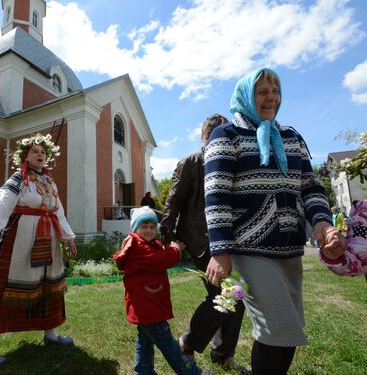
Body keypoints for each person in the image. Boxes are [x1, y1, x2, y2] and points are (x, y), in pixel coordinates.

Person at [203, 67, 345, 375]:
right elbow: (216, 195)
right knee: (280, 327)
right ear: (246, 97)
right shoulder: (225, 135)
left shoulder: (291, 136)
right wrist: (220, 249)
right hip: (248, 247)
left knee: (286, 330)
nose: (271, 98)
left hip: (289, 247)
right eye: (262, 92)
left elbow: (310, 187)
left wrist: (322, 224)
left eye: (276, 91)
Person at [0, 133, 77, 365]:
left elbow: (58, 211)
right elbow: (2, 202)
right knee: (0, 287)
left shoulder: (50, 183)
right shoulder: (19, 179)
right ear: (24, 157)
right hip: (19, 240)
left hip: (48, 241)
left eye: (43, 152)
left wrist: (67, 237)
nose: (40, 154)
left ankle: (50, 333)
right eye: (35, 151)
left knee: (50, 286)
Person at [160, 114, 249, 374]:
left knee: (236, 296)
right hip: (199, 239)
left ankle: (222, 352)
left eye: (223, 132)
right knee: (227, 293)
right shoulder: (190, 162)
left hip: (227, 239)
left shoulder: (231, 161)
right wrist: (169, 239)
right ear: (204, 136)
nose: (217, 136)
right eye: (213, 132)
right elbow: (173, 202)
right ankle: (186, 344)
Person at [113, 206, 209, 375]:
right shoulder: (137, 246)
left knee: (145, 340)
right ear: (135, 228)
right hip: (148, 307)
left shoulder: (146, 244)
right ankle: (192, 373)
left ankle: (143, 371)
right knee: (169, 345)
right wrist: (175, 250)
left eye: (152, 226)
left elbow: (157, 255)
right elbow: (160, 260)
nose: (149, 230)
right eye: (144, 226)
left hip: (146, 306)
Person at [320, 199, 367, 276]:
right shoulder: (360, 220)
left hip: (341, 228)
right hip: (339, 229)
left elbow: (345, 222)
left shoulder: (342, 215)